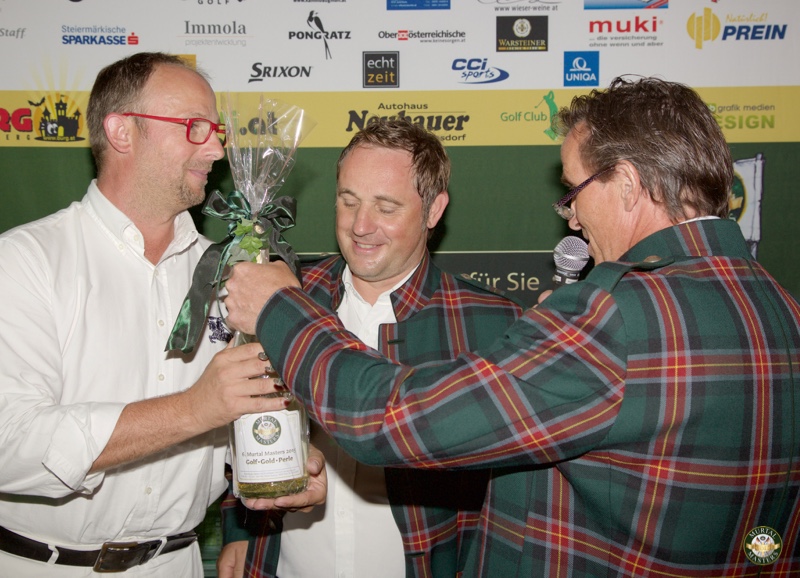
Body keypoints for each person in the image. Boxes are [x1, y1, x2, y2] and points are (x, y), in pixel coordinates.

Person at [223, 76, 800, 577]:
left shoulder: (613, 313)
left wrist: (278, 308)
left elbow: (385, 420)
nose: (571, 217)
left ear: (626, 183)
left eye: (573, 191)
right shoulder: (783, 309)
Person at [0, 52, 322, 577]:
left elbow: (225, 437)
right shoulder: (26, 261)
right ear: (121, 131)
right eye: (194, 127)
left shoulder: (229, 272)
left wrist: (278, 462)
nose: (217, 149)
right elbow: (9, 441)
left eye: (216, 130)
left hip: (178, 564)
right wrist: (194, 408)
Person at [217, 119, 522, 578]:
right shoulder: (284, 295)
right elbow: (238, 415)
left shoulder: (495, 325)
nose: (361, 226)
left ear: (434, 210)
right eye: (349, 201)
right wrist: (239, 529)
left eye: (386, 206)